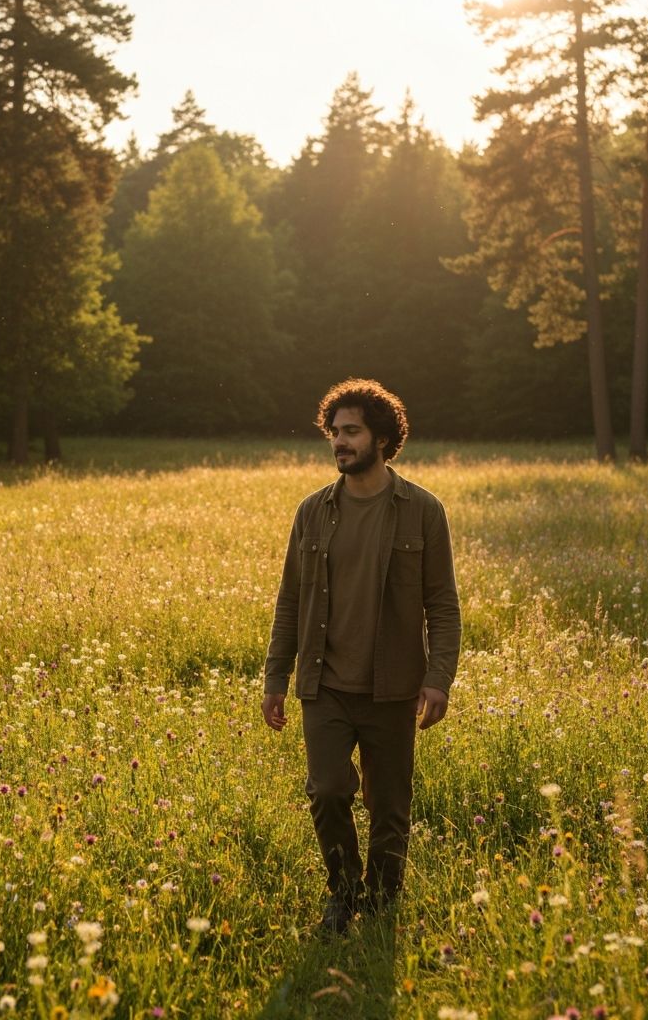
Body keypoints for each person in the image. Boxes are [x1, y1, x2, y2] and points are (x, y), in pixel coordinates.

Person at [261, 378, 461, 935]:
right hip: (323, 684)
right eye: (334, 433)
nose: (339, 443)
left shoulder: (422, 510)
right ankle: (344, 893)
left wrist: (439, 677)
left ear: (382, 437)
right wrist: (276, 676)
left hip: (393, 685)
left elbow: (442, 604)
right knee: (327, 790)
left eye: (351, 432)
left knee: (390, 805)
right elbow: (290, 602)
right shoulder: (313, 512)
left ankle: (382, 902)